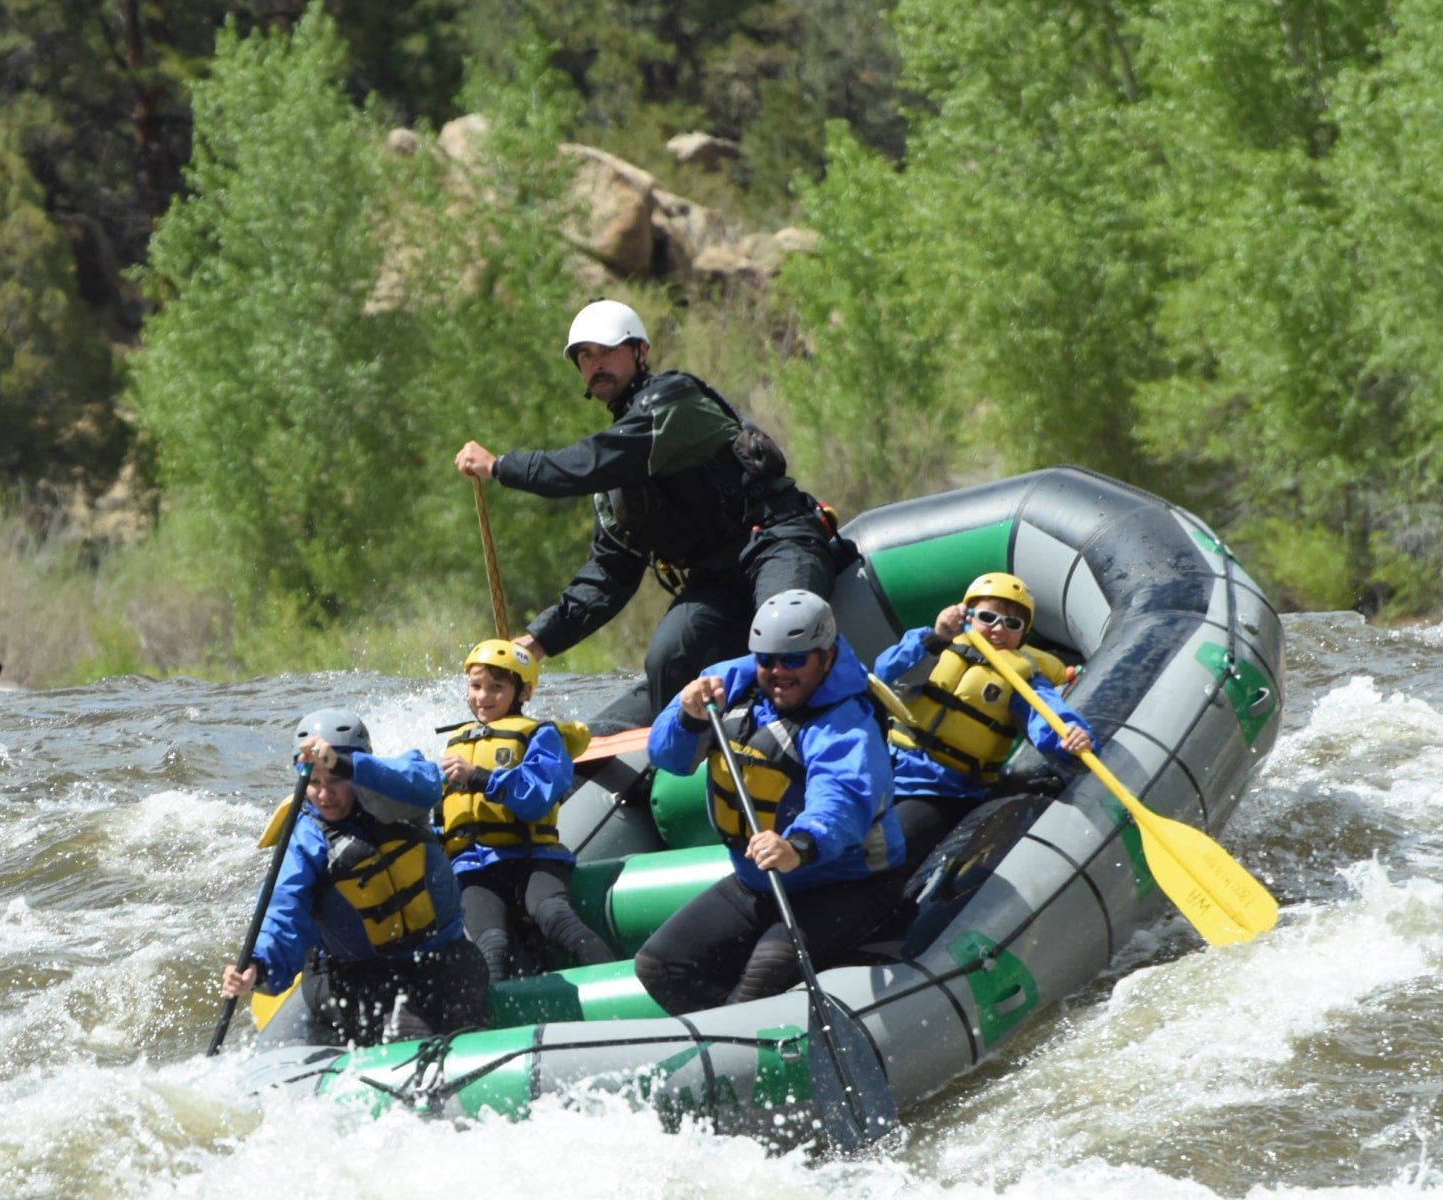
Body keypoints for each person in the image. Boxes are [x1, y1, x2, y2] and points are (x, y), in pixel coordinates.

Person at [453, 300, 844, 732]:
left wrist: (501, 467)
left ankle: (819, 737)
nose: (596, 364)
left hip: (777, 541)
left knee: (785, 628)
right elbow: (608, 575)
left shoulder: (672, 401)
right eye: (585, 356)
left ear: (641, 352)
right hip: (716, 580)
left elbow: (593, 460)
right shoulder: (616, 481)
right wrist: (535, 642)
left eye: (607, 352)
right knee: (668, 654)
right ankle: (674, 763)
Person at [633, 590, 905, 1015]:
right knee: (658, 965)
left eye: (795, 660)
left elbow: (842, 800)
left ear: (827, 658)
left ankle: (742, 1046)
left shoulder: (846, 722)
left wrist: (796, 846)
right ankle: (726, 1047)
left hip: (845, 882)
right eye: (767, 660)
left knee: (767, 969)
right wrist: (688, 718)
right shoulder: (729, 685)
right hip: (758, 881)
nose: (778, 672)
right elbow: (666, 756)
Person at [219, 709, 491, 1046]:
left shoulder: (397, 795)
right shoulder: (305, 838)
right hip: (359, 975)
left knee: (468, 1000)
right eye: (315, 782)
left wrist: (347, 765)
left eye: (335, 780)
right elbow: (283, 908)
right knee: (414, 1038)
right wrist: (257, 965)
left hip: (440, 954)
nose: (324, 794)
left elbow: (425, 782)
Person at [361, 640, 616, 982]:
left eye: (497, 687)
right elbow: (438, 810)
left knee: (553, 915)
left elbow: (536, 795)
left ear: (523, 693)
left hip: (533, 857)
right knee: (490, 944)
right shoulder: (455, 746)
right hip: (475, 868)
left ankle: (619, 983)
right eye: (476, 686)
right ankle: (494, 1027)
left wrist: (479, 776)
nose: (483, 697)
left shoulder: (540, 736)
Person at [874, 572, 1093, 872]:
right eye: (988, 617)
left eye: (1012, 624)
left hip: (944, 791)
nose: (998, 629)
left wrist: (1069, 738)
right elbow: (885, 672)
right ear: (967, 616)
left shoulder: (1022, 677)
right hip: (885, 770)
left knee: (887, 846)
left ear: (1022, 635)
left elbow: (1046, 715)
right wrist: (935, 637)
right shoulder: (935, 643)